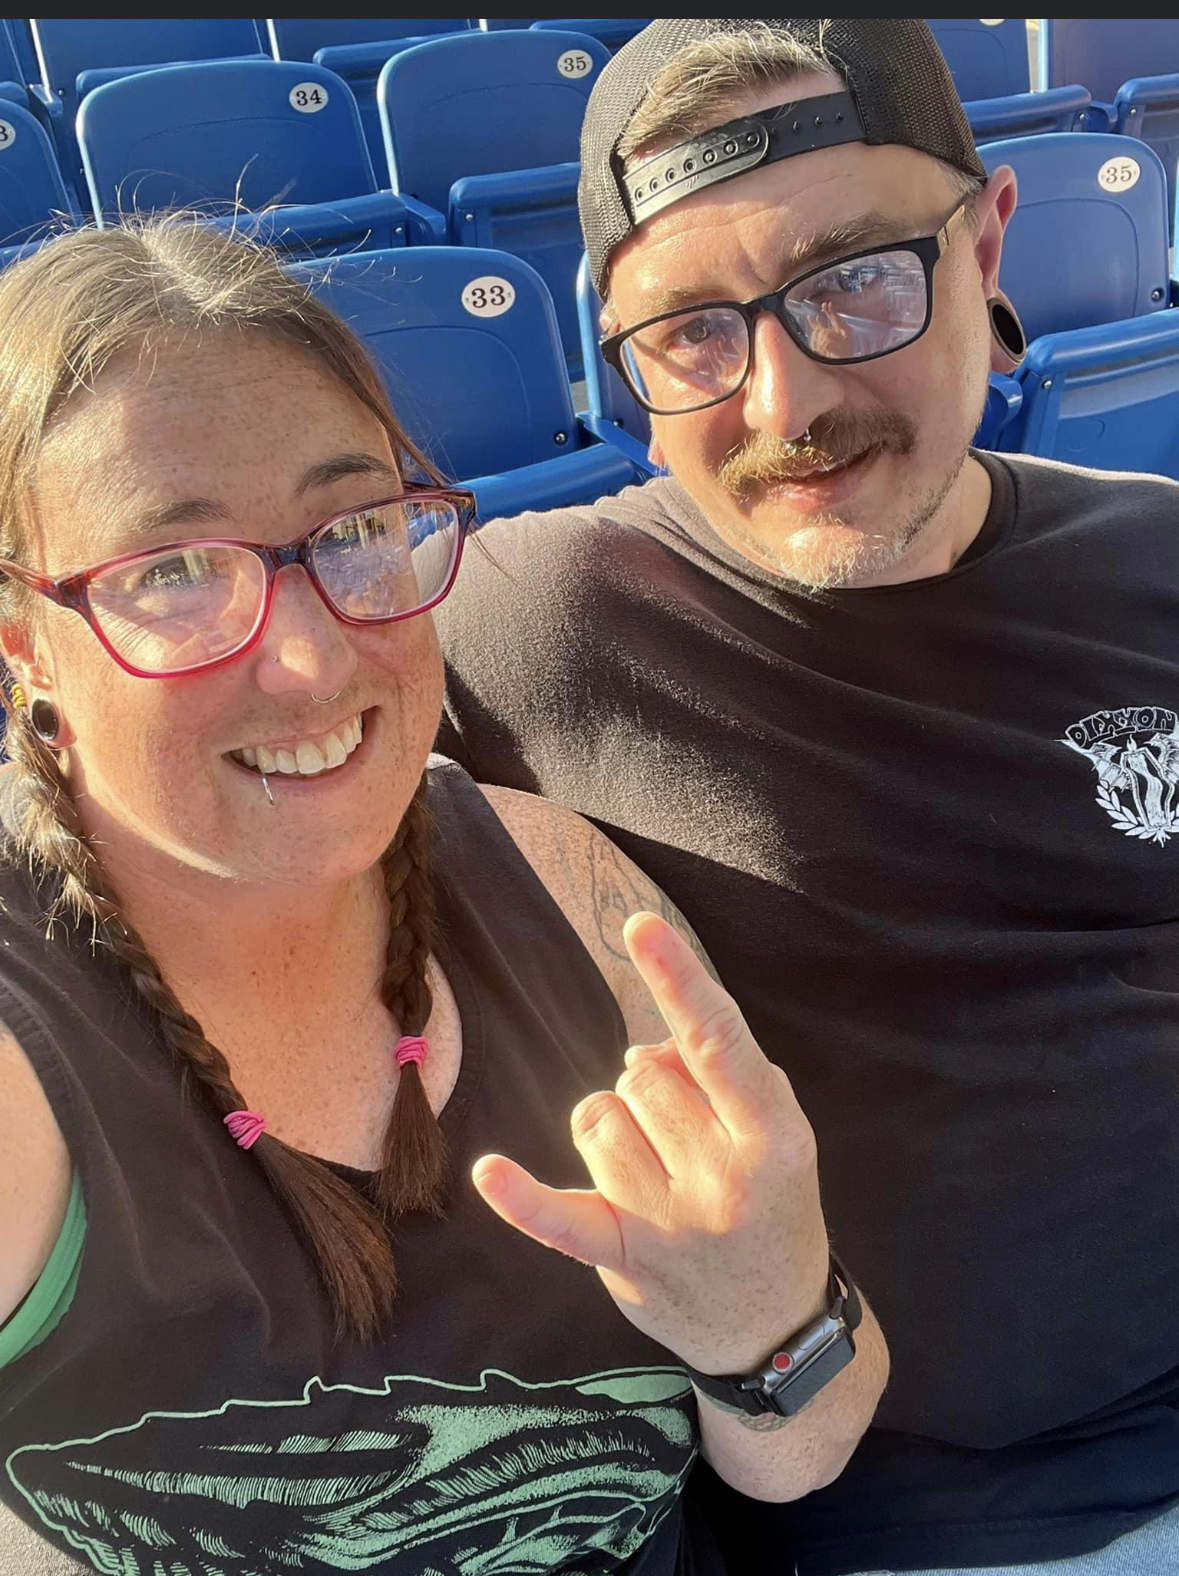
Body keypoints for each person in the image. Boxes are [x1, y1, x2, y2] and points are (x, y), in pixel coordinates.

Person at [0, 217, 889, 1576]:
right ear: (25, 641)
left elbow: (805, 1447)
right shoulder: (26, 1056)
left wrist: (765, 1320)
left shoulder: (562, 890)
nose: (311, 660)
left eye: (356, 530)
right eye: (171, 572)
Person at [436, 18, 1179, 1576]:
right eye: (691, 333)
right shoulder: (527, 621)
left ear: (987, 243)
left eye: (856, 282)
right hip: (963, 1530)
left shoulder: (1158, 553)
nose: (786, 403)